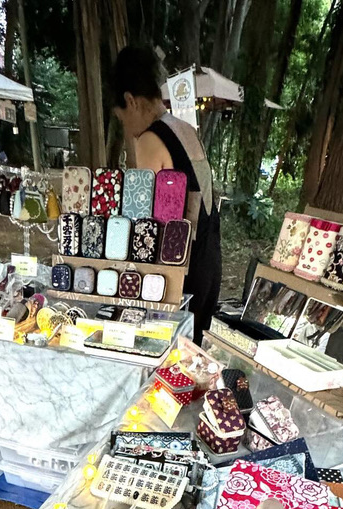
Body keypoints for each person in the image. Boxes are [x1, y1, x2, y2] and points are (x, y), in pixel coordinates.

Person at [112, 47, 221, 344]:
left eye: (122, 118)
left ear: (130, 101)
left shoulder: (149, 139)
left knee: (163, 360)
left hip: (180, 272)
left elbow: (143, 221)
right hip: (209, 262)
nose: (126, 127)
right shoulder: (185, 129)